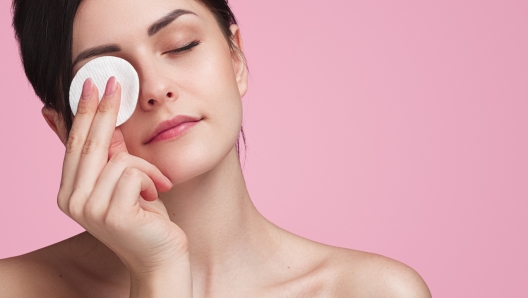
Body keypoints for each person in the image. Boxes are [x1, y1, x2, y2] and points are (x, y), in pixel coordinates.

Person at [0, 0, 431, 297]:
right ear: (64, 127)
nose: (156, 88)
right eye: (109, 78)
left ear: (236, 58)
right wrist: (158, 272)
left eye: (181, 45)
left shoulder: (374, 291)